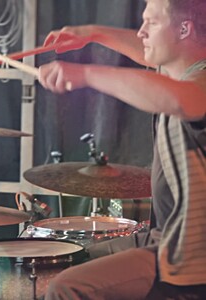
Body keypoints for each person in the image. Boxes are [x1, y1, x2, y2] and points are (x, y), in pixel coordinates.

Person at [37, 0, 206, 299]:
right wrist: (91, 33)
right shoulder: (180, 69)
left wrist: (86, 75)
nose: (140, 32)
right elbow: (150, 52)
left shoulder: (196, 82)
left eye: (151, 23)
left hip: (192, 256)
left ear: (184, 28)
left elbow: (183, 100)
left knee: (67, 286)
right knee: (68, 257)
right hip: (162, 237)